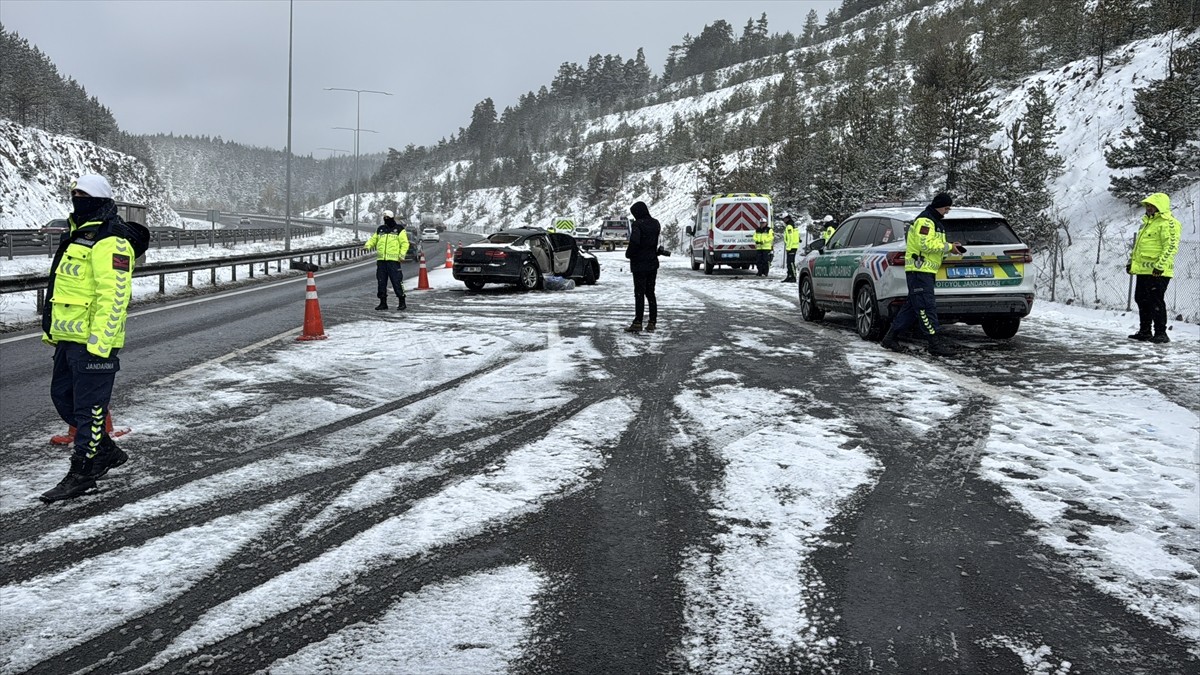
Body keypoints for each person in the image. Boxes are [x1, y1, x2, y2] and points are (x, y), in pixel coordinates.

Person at [40, 174, 149, 503]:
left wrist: (100, 344)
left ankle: (83, 472)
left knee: (90, 410)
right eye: (74, 193)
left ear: (100, 198)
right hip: (69, 338)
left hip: (94, 342)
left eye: (84, 194)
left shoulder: (111, 240)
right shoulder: (79, 235)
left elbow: (114, 295)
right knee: (63, 397)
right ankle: (105, 451)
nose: (78, 198)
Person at [880, 192, 963, 357]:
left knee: (912, 307)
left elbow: (933, 245)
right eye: (946, 208)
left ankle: (890, 338)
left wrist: (950, 248)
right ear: (939, 206)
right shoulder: (925, 221)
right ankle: (934, 342)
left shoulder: (935, 222)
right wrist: (948, 247)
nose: (947, 211)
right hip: (920, 271)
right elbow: (924, 244)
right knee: (926, 306)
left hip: (926, 271)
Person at [1127, 192, 1181, 344]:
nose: (1149, 208)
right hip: (1143, 270)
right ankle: (1145, 331)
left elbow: (1171, 246)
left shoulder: (1169, 223)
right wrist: (1131, 262)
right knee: (1141, 299)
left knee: (1155, 301)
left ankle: (1161, 333)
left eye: (1153, 205)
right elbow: (1139, 247)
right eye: (1148, 205)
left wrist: (1160, 266)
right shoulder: (1147, 223)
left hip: (1158, 271)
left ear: (1161, 206)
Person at [624, 201, 661, 332]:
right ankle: (652, 322)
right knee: (650, 293)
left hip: (639, 264)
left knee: (639, 293)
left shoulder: (637, 224)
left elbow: (635, 242)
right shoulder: (655, 223)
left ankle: (638, 322)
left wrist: (629, 254)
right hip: (652, 262)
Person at [364, 210, 409, 310]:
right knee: (381, 282)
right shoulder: (381, 229)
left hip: (393, 261)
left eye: (387, 217)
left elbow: (404, 243)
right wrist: (367, 246)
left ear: (392, 218)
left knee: (397, 281)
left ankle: (402, 301)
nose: (386, 219)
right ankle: (383, 302)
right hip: (381, 261)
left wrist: (402, 255)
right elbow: (373, 239)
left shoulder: (399, 229)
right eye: (384, 218)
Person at [781, 212, 800, 282]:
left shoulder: (789, 226)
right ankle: (789, 276)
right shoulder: (792, 225)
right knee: (789, 263)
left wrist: (788, 248)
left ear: (787, 219)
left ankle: (793, 277)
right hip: (793, 246)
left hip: (791, 247)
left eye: (784, 219)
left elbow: (790, 238)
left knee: (791, 262)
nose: (783, 221)